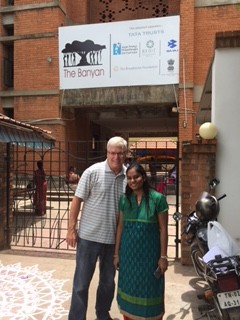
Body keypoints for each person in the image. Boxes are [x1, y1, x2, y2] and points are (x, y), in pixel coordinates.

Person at [66, 136, 128, 320]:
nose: (115, 157)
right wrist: (71, 229)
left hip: (113, 242)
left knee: (108, 283)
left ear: (125, 154)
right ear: (107, 153)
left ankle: (102, 314)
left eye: (119, 153)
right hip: (88, 238)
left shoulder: (129, 177)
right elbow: (76, 201)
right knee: (81, 283)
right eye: (112, 153)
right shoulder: (92, 172)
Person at [113, 162, 169, 320]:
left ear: (143, 177)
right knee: (129, 289)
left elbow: (163, 229)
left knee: (151, 289)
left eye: (136, 177)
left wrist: (163, 257)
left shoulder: (158, 199)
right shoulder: (124, 200)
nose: (132, 181)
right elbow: (120, 227)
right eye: (129, 178)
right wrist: (116, 254)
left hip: (150, 257)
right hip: (128, 257)